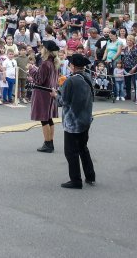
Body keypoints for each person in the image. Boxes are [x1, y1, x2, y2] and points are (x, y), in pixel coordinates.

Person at [53, 53, 95, 189]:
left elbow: (63, 101)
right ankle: (90, 175)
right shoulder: (88, 77)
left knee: (71, 151)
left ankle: (76, 180)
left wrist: (55, 95)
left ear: (72, 66)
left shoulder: (70, 81)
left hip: (72, 121)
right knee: (83, 148)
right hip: (85, 119)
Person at [32, 40, 60, 153]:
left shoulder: (45, 63)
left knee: (44, 119)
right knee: (49, 118)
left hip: (43, 94)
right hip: (51, 92)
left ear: (46, 50)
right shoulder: (54, 63)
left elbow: (39, 80)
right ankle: (50, 142)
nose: (41, 49)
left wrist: (31, 69)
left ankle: (48, 144)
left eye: (42, 47)